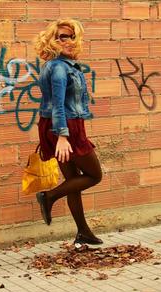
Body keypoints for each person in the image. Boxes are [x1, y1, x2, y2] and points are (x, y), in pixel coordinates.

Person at [34, 19, 103, 245]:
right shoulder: (60, 68)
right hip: (66, 127)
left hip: (56, 125)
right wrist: (63, 137)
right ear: (52, 39)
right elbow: (57, 103)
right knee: (94, 175)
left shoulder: (54, 65)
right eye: (61, 36)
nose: (67, 41)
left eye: (71, 36)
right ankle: (49, 196)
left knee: (73, 179)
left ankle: (83, 232)